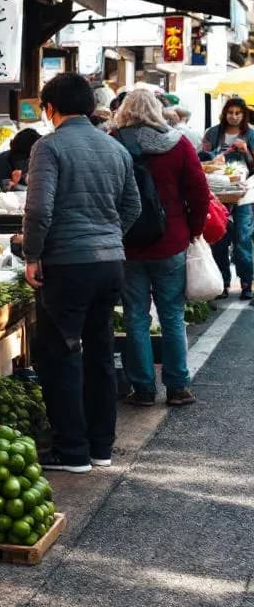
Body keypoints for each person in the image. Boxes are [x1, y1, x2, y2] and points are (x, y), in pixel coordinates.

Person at [23, 73, 140, 473]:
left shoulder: (48, 146)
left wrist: (33, 255)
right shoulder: (115, 147)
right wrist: (109, 238)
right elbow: (133, 207)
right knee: (101, 353)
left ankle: (71, 450)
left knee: (62, 354)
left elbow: (39, 209)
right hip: (110, 265)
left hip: (67, 265)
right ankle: (101, 448)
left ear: (50, 108)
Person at [113, 90, 206, 408]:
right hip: (171, 240)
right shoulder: (177, 143)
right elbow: (199, 191)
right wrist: (193, 230)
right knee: (172, 314)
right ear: (157, 110)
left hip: (128, 242)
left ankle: (143, 389)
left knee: (135, 316)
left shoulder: (114, 142)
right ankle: (178, 387)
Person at [200, 98, 254, 299]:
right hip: (217, 196)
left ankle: (246, 283)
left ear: (243, 115)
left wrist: (246, 151)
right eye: (230, 112)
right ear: (224, 113)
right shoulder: (212, 133)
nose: (234, 116)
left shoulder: (251, 134)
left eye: (238, 113)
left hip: (243, 196)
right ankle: (222, 282)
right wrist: (213, 158)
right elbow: (202, 159)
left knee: (243, 238)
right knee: (218, 238)